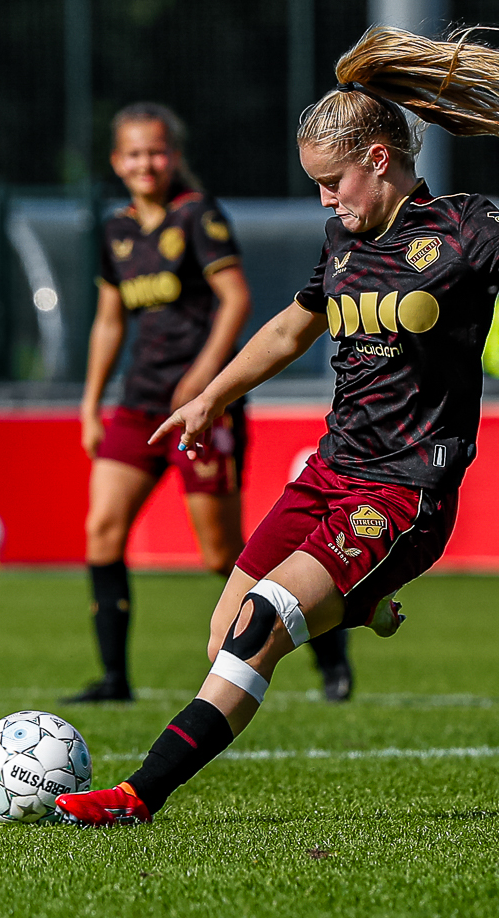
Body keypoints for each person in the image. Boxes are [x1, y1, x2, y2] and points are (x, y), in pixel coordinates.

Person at [53, 27, 499, 826]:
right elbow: (288, 328)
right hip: (328, 471)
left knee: (262, 625)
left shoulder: (460, 229)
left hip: (404, 489)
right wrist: (209, 394)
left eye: (331, 181)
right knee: (222, 640)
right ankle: (360, 602)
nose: (325, 200)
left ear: (379, 160)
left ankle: (139, 793)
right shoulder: (342, 242)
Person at [72, 102, 355, 704]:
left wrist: (206, 383)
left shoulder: (198, 216)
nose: (146, 163)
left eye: (156, 151)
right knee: (101, 530)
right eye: (134, 153)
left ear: (173, 156)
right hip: (140, 402)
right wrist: (91, 401)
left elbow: (236, 300)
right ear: (117, 162)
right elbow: (107, 321)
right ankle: (115, 678)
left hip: (202, 408)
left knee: (222, 555)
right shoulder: (116, 229)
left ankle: (328, 647)